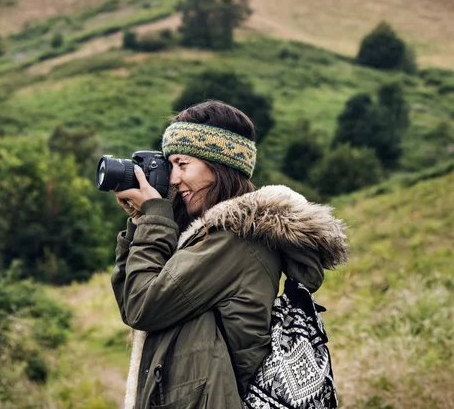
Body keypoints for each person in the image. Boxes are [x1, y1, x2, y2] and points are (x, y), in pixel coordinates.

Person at [111, 100, 348, 409]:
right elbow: (132, 301)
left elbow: (144, 306)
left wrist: (154, 218)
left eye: (183, 164)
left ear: (220, 166)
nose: (172, 179)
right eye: (170, 166)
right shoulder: (204, 236)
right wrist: (142, 223)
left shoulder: (235, 240)